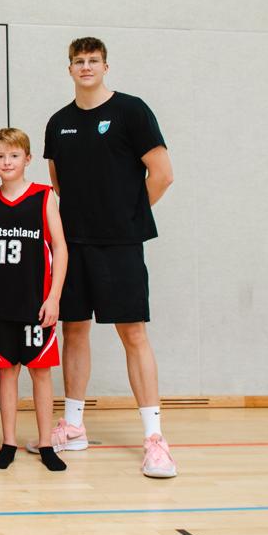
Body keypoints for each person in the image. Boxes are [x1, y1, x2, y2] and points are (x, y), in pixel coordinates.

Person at [43, 36, 177, 478]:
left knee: (132, 333)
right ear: (69, 69)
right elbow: (59, 183)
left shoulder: (131, 111)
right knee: (73, 330)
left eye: (93, 61)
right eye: (78, 61)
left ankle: (155, 440)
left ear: (105, 66)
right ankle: (74, 425)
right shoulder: (58, 122)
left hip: (120, 244)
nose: (85, 67)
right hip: (74, 245)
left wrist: (128, 218)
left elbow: (162, 174)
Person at [0, 128, 69, 472]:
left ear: (28, 159)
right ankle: (8, 441)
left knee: (41, 374)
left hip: (36, 302)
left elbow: (61, 248)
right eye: (1, 156)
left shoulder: (44, 196)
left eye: (14, 156)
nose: (7, 162)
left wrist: (54, 297)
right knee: (7, 373)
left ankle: (46, 443)